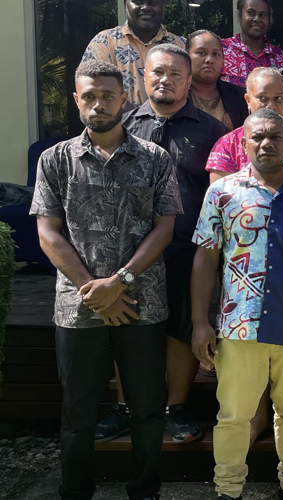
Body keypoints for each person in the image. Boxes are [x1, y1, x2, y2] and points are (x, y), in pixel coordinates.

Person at [31, 60, 182, 500]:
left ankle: (145, 489)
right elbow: (48, 233)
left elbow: (165, 226)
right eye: (89, 96)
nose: (99, 104)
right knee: (78, 411)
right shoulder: (54, 160)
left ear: (124, 100)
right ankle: (75, 490)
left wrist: (120, 281)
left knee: (148, 409)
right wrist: (95, 291)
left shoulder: (154, 158)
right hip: (79, 309)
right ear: (76, 100)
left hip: (143, 303)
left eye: (108, 95)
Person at [190, 107, 283, 500]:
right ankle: (228, 488)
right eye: (257, 137)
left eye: (275, 136)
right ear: (244, 143)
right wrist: (199, 323)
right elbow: (205, 257)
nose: (266, 143)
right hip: (239, 325)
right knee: (234, 415)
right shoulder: (222, 194)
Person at [121, 44, 229, 444]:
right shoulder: (124, 124)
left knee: (183, 328)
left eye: (175, 74)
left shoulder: (211, 130)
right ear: (144, 76)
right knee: (126, 326)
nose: (165, 80)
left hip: (187, 247)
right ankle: (125, 406)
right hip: (128, 249)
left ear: (188, 80)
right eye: (158, 73)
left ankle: (176, 405)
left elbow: (220, 194)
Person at [208, 66, 283, 188]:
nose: (271, 105)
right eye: (262, 98)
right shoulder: (227, 145)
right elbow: (219, 198)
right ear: (248, 100)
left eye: (278, 98)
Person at [81, 0, 185, 108]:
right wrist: (138, 119)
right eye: (138, 2)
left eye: (153, 2)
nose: (146, 7)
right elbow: (92, 87)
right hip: (119, 123)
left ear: (162, 6)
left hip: (173, 123)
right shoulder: (104, 42)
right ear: (125, 6)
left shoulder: (181, 46)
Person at [187, 30, 250, 130]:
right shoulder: (177, 94)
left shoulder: (239, 96)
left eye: (216, 54)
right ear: (187, 57)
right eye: (201, 53)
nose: (209, 60)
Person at [220, 0, 283, 86]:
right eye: (251, 13)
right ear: (239, 16)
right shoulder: (221, 50)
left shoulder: (279, 57)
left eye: (262, 15)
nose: (257, 19)